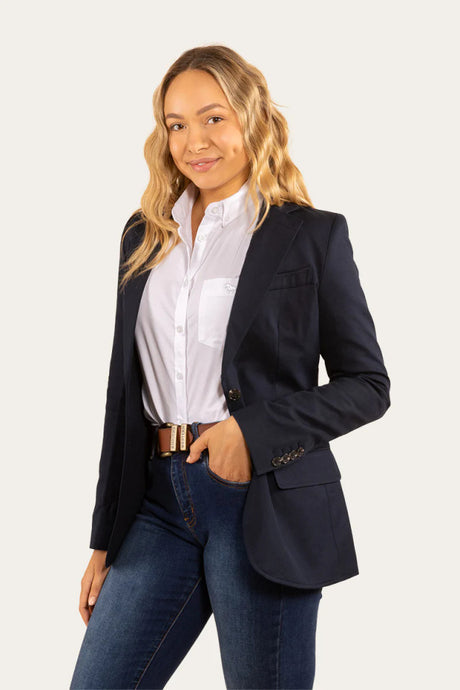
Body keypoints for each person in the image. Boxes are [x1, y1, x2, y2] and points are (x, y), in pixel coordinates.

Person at [70, 45, 391, 690]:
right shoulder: (144, 237)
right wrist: (104, 536)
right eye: (176, 124)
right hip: (156, 504)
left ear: (252, 117)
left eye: (213, 118)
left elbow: (368, 386)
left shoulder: (311, 235)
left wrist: (252, 432)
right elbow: (123, 395)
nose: (195, 141)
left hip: (261, 502)